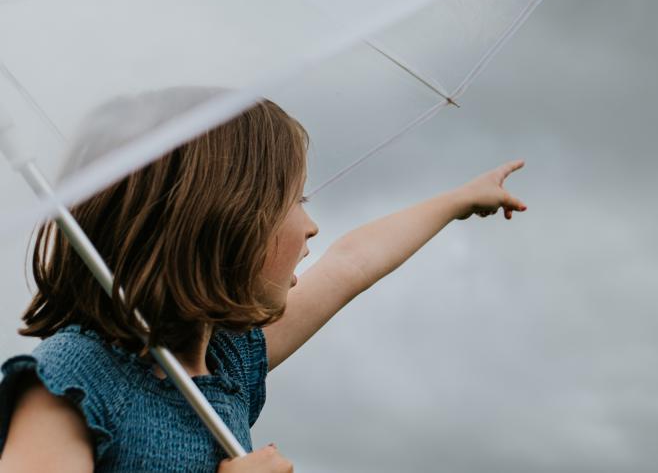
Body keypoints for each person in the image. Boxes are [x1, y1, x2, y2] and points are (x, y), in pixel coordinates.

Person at [0, 96, 526, 471]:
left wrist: (457, 201)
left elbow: (351, 262)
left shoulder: (229, 362)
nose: (312, 228)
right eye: (297, 201)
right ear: (222, 221)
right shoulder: (70, 383)